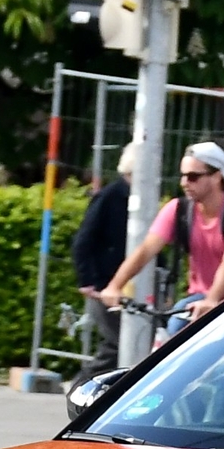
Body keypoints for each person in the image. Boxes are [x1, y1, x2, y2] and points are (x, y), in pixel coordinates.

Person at [102, 141, 224, 326]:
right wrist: (115, 285)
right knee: (174, 330)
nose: (184, 183)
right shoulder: (178, 209)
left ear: (217, 176)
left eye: (193, 177)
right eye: (183, 176)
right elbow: (146, 250)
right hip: (201, 297)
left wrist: (212, 300)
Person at [70, 143, 134, 378]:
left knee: (117, 343)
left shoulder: (136, 198)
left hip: (126, 283)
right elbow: (84, 240)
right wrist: (88, 280)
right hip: (105, 283)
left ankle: (91, 386)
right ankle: (83, 384)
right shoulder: (109, 197)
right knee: (119, 342)